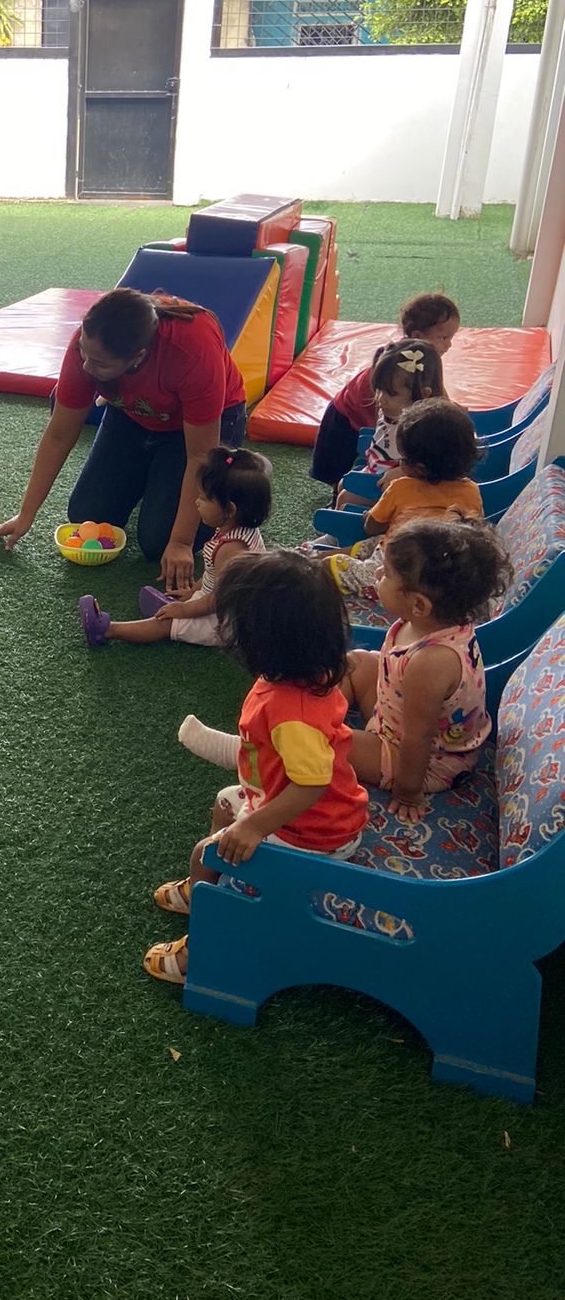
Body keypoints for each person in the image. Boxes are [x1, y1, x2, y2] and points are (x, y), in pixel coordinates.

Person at [143, 552, 369, 985]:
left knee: (208, 851)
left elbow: (312, 785)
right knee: (224, 805)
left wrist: (254, 827)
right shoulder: (304, 676)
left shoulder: (293, 713)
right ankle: (203, 888)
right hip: (301, 810)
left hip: (315, 833)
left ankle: (203, 948)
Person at [0, 288, 246, 593]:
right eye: (84, 353)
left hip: (207, 424)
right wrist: (26, 514)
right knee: (87, 516)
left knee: (158, 542)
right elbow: (59, 433)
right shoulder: (89, 345)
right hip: (135, 414)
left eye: (101, 364)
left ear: (138, 357)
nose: (87, 367)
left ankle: (179, 478)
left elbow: (199, 456)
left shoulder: (191, 348)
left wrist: (181, 542)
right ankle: (156, 476)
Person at [341, 519, 512, 827]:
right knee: (357, 663)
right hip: (393, 717)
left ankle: (310, 726)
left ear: (419, 604)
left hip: (424, 762)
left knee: (328, 742)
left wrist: (408, 792)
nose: (377, 574)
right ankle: (316, 707)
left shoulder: (431, 662)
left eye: (386, 574)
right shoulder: (429, 623)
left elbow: (417, 738)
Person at [78, 446, 270, 647]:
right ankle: (175, 607)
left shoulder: (232, 549)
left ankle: (105, 630)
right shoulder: (237, 530)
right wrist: (191, 593)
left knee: (165, 623)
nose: (196, 502)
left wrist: (184, 610)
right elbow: (214, 575)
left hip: (227, 622)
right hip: (230, 605)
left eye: (204, 499)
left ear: (230, 510)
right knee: (178, 610)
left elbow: (218, 598)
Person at [324, 398, 484, 601]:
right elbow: (474, 529)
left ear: (419, 468)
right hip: (446, 570)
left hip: (401, 567)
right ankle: (350, 553)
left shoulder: (401, 487)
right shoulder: (472, 490)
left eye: (402, 459)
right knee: (380, 542)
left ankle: (322, 563)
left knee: (345, 563)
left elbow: (371, 526)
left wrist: (369, 516)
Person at [311, 292, 460, 495]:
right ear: (418, 336)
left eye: (451, 338)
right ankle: (341, 496)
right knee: (337, 474)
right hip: (345, 418)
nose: (448, 345)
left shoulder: (423, 364)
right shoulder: (396, 371)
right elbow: (383, 412)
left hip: (378, 424)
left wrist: (451, 413)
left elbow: (437, 393)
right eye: (443, 338)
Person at [335, 339, 445, 509]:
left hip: (404, 486)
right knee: (343, 485)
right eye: (378, 389)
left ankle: (340, 526)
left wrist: (403, 471)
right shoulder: (391, 411)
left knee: (346, 497)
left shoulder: (425, 428)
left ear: (423, 395)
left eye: (391, 394)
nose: (380, 399)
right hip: (379, 473)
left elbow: (437, 463)